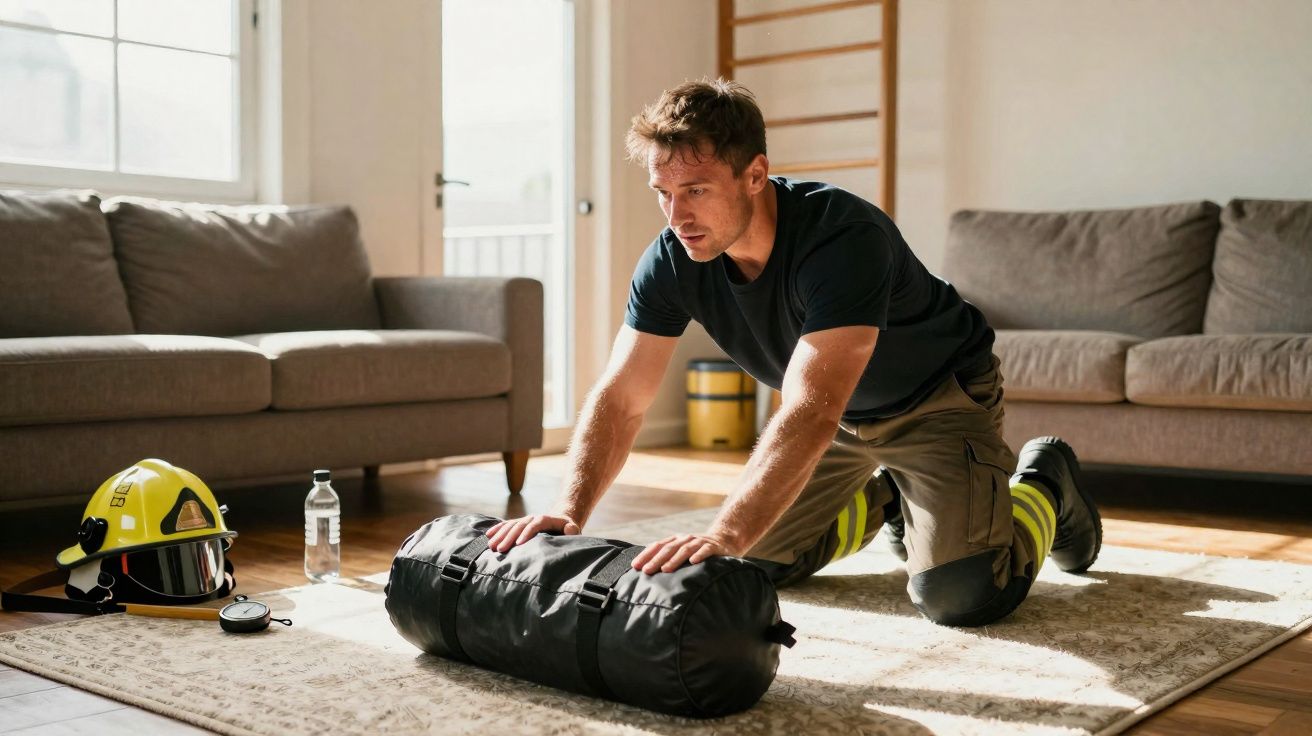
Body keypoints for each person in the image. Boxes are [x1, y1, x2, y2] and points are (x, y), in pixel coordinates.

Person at [486, 78, 1101, 626]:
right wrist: (567, 512)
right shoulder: (672, 259)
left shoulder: (842, 238)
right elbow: (621, 397)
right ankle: (891, 495)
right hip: (841, 424)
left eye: (696, 189)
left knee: (961, 595)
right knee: (752, 562)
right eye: (663, 192)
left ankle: (1044, 483)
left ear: (755, 175)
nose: (677, 215)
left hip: (936, 401)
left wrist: (726, 532)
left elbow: (810, 409)